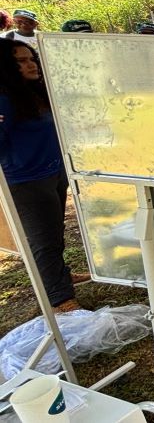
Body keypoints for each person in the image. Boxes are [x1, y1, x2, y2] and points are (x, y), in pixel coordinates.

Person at [0, 39, 79, 311]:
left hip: (53, 172)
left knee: (55, 233)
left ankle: (61, 277)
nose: (30, 64)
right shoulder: (4, 100)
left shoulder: (34, 93)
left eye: (30, 58)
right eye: (20, 61)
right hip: (26, 182)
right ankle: (59, 298)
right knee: (43, 239)